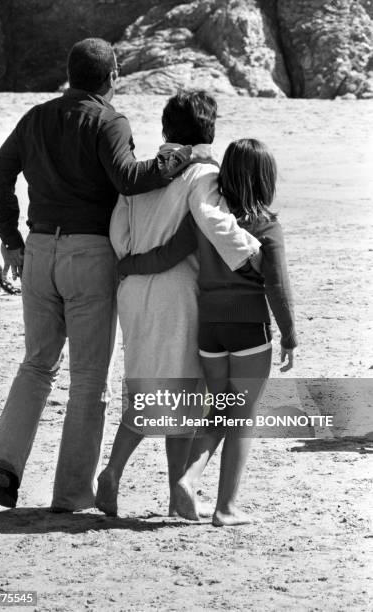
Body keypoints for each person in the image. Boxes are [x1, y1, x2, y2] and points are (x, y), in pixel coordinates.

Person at [0, 38, 195, 511]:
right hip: (90, 254)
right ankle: (72, 493)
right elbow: (128, 179)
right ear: (113, 77)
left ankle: (5, 464)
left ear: (70, 74)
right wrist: (179, 158)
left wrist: (11, 239)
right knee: (88, 380)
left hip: (37, 251)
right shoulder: (109, 120)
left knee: (36, 364)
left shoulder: (37, 116)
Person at [95, 92, 261, 517]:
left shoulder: (141, 175)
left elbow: (119, 231)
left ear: (167, 129)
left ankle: (124, 474)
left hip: (133, 287)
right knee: (190, 392)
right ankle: (177, 493)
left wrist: (132, 262)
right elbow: (214, 221)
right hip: (178, 291)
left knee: (146, 387)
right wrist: (256, 253)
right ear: (210, 131)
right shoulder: (202, 172)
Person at [117, 138, 298, 525]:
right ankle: (225, 507)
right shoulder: (267, 225)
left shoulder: (204, 220)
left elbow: (167, 254)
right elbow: (277, 285)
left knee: (218, 412)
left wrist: (128, 266)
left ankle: (189, 478)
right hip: (248, 329)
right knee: (242, 418)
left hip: (209, 332)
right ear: (266, 179)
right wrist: (290, 335)